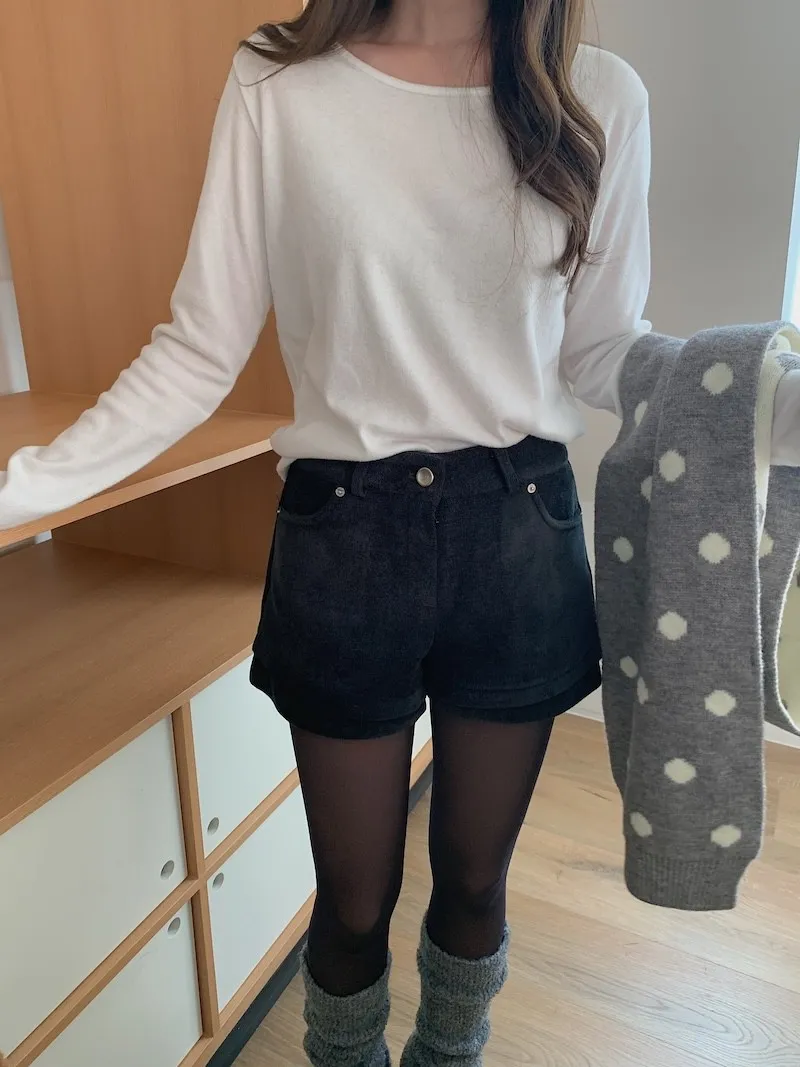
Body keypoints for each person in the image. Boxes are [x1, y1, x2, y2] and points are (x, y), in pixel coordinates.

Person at [0, 1, 652, 1064]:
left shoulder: (594, 93)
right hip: (345, 539)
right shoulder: (278, 80)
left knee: (474, 879)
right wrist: (21, 491)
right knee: (353, 899)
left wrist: (754, 398)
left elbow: (601, 348)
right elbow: (199, 348)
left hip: (518, 531)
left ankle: (450, 1050)